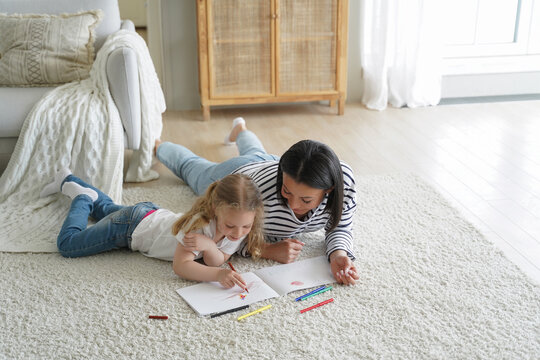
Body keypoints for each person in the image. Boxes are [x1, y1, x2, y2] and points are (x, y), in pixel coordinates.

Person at [155, 117, 360, 286]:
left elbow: (340, 225)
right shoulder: (256, 197)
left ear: (329, 189)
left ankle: (241, 129)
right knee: (193, 168)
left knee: (257, 153)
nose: (294, 205)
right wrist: (268, 250)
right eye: (286, 192)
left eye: (306, 199)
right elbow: (234, 236)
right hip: (241, 176)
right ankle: (157, 145)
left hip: (269, 165)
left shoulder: (344, 182)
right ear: (283, 178)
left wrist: (338, 255)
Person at [39, 169, 265, 290]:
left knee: (105, 210)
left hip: (147, 215)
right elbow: (181, 266)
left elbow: (220, 258)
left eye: (245, 226)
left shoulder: (238, 226)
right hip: (131, 228)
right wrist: (217, 275)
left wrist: (208, 248)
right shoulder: (198, 225)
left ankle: (67, 178)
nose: (237, 233)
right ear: (216, 209)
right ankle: (80, 197)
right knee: (68, 244)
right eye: (231, 226)